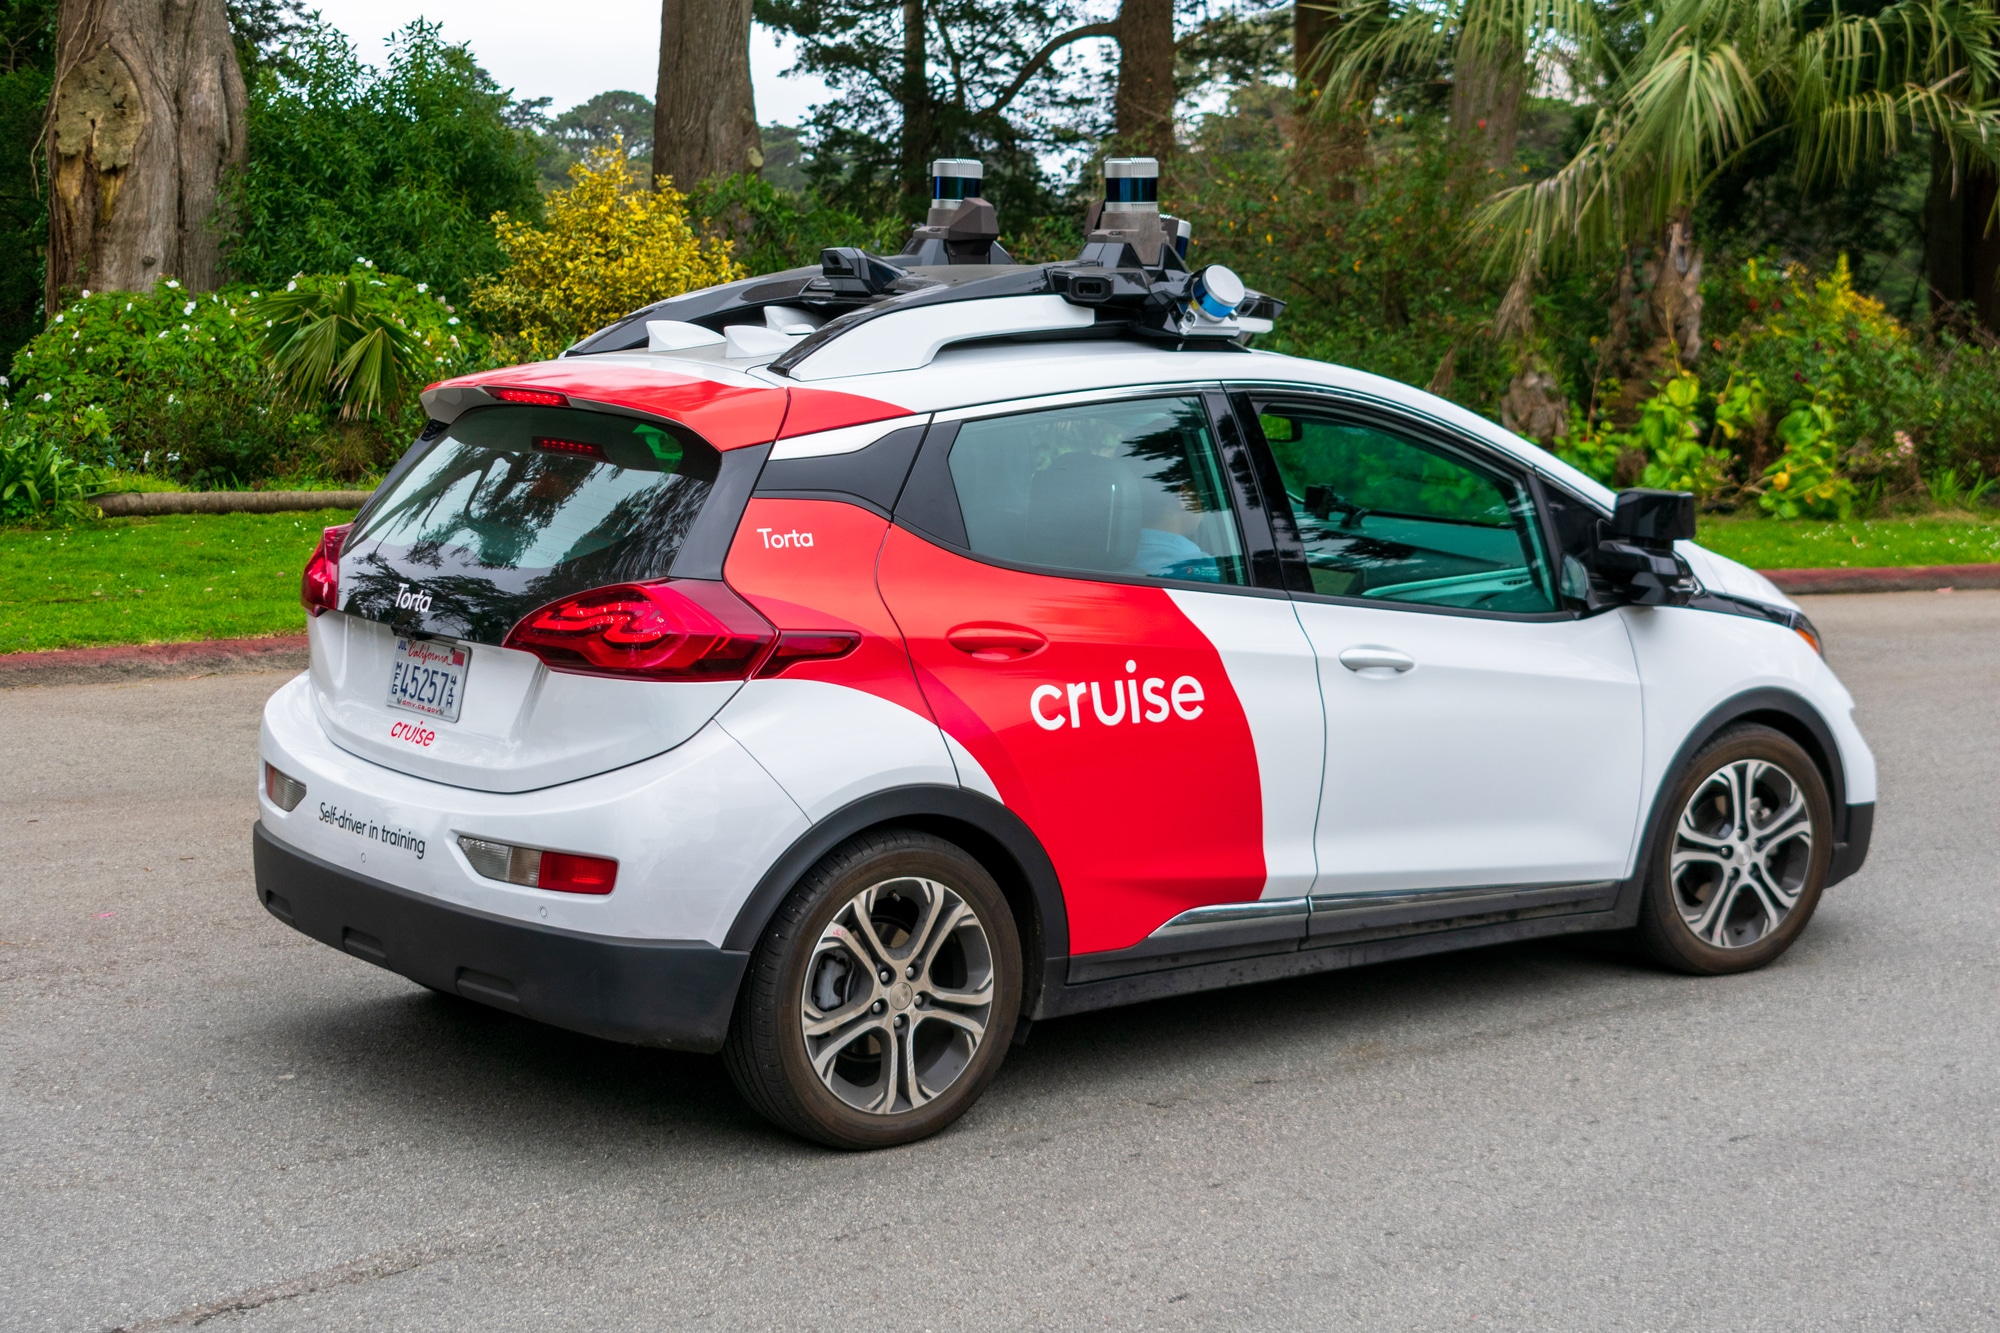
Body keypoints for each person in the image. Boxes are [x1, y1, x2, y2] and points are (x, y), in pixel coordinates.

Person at [1128, 480, 1221, 582]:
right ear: (1185, 496)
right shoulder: (1198, 564)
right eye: (1203, 499)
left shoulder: (1115, 551)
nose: (1204, 511)